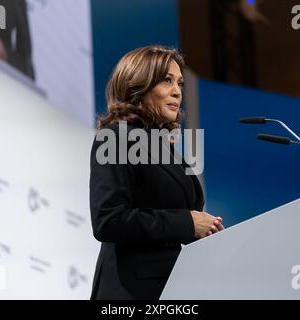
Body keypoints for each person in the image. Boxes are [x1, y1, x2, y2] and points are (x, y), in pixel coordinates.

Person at [89, 45, 224, 300]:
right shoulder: (116, 137)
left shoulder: (168, 151)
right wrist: (188, 223)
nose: (177, 91)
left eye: (180, 84)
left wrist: (209, 231)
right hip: (130, 292)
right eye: (166, 81)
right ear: (139, 86)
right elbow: (108, 219)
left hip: (174, 288)